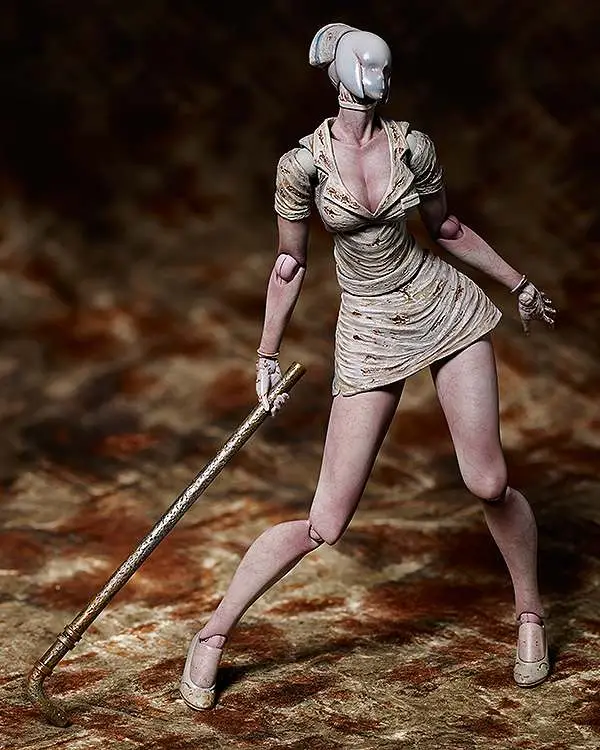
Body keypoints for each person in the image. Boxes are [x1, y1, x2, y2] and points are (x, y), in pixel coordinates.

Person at [180, 22, 556, 710]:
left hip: (443, 306)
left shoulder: (413, 145)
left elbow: (446, 228)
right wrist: (266, 354)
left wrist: (519, 283)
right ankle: (212, 633)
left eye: (387, 68)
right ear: (343, 75)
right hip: (370, 326)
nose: (382, 79)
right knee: (325, 522)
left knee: (489, 481)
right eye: (371, 67)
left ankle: (530, 613)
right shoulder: (303, 164)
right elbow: (289, 263)